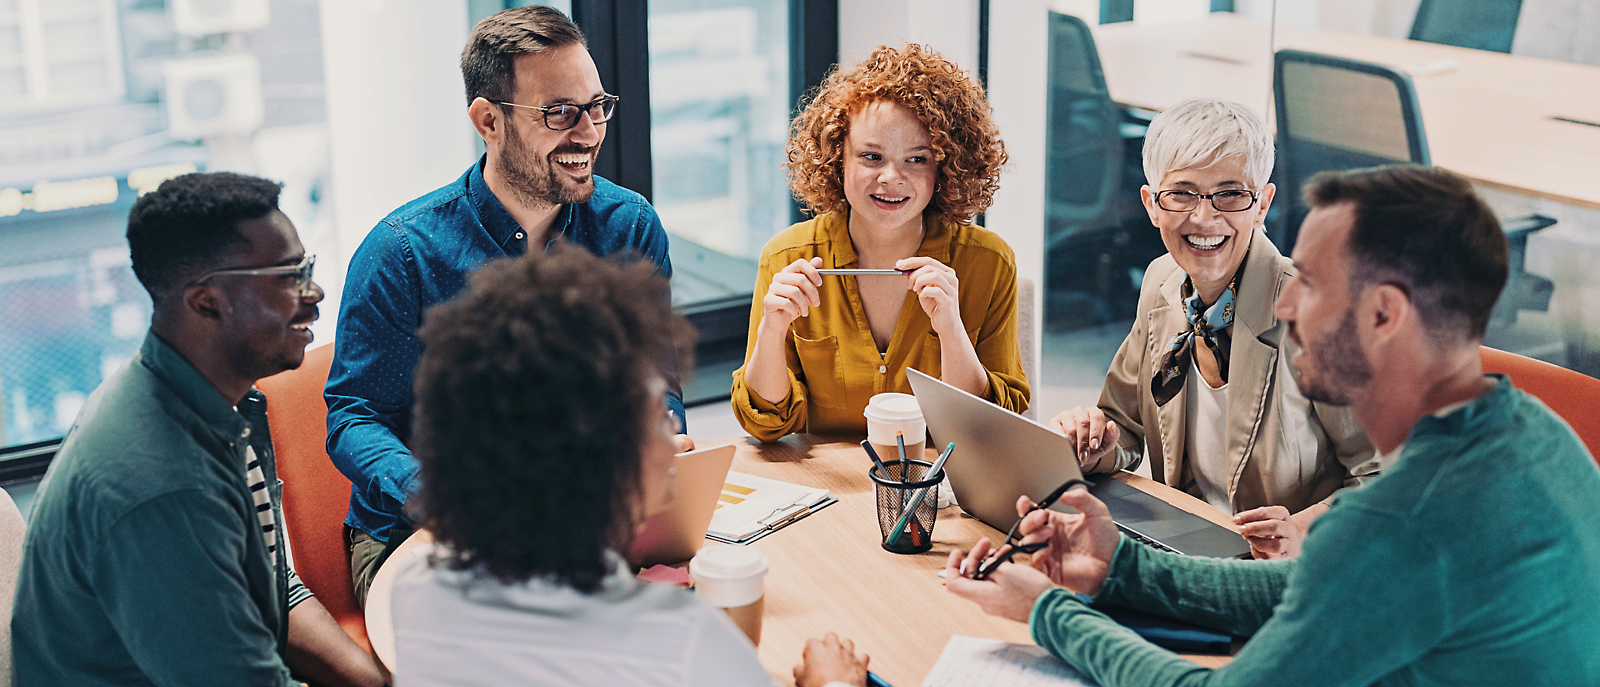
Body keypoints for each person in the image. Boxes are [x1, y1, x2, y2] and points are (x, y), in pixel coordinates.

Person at [946, 165, 1600, 687]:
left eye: (1311, 284)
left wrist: (1046, 611)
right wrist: (1120, 568)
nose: (1284, 303)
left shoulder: (1400, 518)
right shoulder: (1533, 435)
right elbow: (1310, 586)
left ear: (1384, 315)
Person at [391, 242, 879, 687]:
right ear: (597, 455)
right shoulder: (669, 635)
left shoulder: (420, 590)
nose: (674, 435)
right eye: (653, 414)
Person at [10, 172, 406, 687]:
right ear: (205, 301)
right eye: (292, 276)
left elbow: (276, 592)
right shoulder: (156, 484)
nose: (316, 293)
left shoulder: (213, 404)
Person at [326, 5, 689, 608]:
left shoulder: (629, 227)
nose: (590, 132)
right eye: (560, 113)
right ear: (488, 120)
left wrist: (662, 433)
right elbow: (353, 417)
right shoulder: (403, 253)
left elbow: (659, 382)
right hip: (420, 531)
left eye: (597, 107)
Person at [1049, 99, 1379, 560]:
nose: (1204, 218)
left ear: (1262, 204)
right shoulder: (1161, 282)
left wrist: (1305, 531)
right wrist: (1091, 444)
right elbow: (1123, 425)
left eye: (1230, 194)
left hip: (1289, 575)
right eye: (1182, 193)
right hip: (1184, 550)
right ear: (1151, 205)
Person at [731, 43, 1028, 441]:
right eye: (871, 157)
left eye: (917, 159)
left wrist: (951, 330)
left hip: (939, 491)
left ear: (946, 165)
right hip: (830, 490)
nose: (891, 177)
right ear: (837, 158)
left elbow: (992, 428)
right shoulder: (787, 258)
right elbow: (766, 422)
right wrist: (771, 330)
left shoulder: (989, 263)